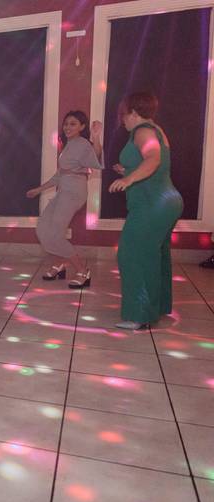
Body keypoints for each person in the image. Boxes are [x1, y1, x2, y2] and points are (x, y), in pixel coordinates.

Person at [108, 92, 183, 330]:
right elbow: (152, 165)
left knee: (132, 253)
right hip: (165, 200)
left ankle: (139, 314)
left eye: (124, 115)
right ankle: (155, 308)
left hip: (154, 202)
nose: (122, 120)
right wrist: (128, 170)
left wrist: (128, 179)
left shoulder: (143, 131)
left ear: (134, 112)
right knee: (153, 255)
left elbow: (153, 159)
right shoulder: (156, 130)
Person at [27, 111, 103, 288]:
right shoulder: (69, 145)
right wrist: (39, 190)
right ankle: (59, 264)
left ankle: (83, 271)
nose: (68, 127)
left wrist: (96, 137)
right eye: (66, 123)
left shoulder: (83, 143)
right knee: (43, 229)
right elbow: (60, 174)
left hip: (74, 192)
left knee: (55, 233)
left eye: (73, 124)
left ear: (82, 127)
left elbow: (96, 159)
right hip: (63, 191)